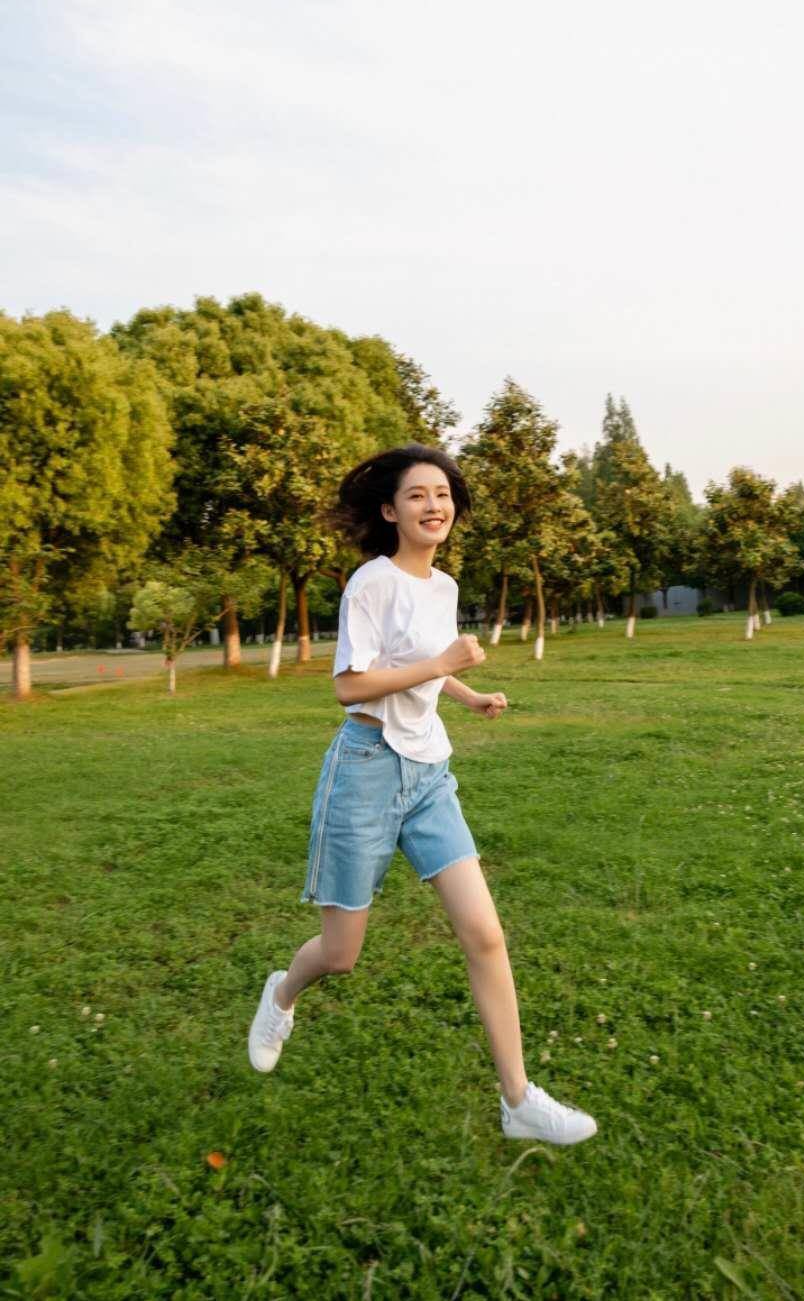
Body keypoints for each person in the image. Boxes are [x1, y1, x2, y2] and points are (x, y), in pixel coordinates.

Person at [248, 443, 597, 1146]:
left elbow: (420, 666)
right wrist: (443, 664)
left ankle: (519, 1098)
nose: (433, 505)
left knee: (486, 932)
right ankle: (283, 991)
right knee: (341, 954)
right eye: (417, 495)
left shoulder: (444, 586)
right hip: (366, 771)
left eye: (442, 493)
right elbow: (352, 684)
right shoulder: (370, 582)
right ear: (389, 510)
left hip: (429, 773)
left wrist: (464, 694)